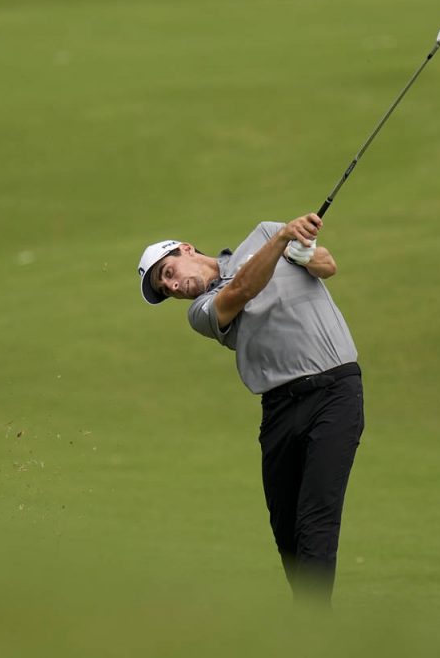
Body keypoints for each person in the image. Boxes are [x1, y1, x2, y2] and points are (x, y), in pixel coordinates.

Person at [137, 213, 364, 605]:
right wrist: (282, 242)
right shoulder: (201, 311)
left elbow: (328, 266)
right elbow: (241, 290)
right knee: (286, 532)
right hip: (279, 410)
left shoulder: (264, 233)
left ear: (186, 249)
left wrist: (301, 252)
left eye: (168, 272)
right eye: (166, 288)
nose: (173, 286)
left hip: (335, 393)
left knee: (316, 520)